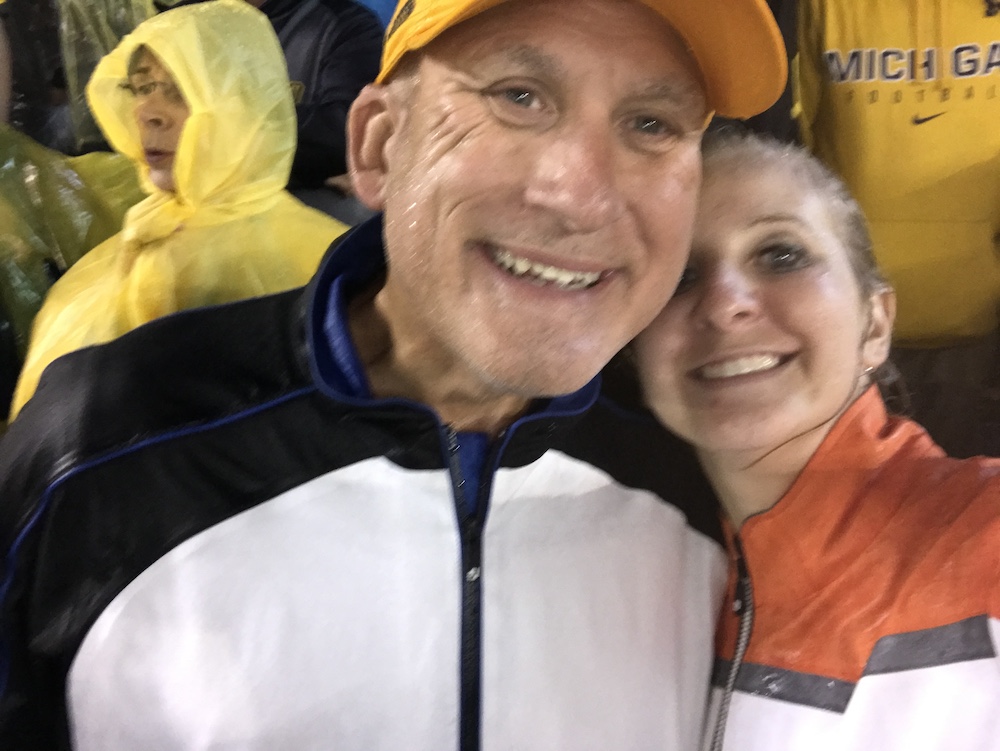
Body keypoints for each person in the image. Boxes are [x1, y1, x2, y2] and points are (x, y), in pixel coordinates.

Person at [0, 0, 787, 747]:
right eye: (518, 96)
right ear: (378, 144)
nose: (580, 195)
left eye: (651, 124)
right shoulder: (104, 451)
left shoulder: (711, 474)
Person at [633, 131, 1000, 751]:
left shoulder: (980, 535)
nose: (723, 305)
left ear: (875, 324)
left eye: (780, 255)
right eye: (678, 274)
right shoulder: (643, 585)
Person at [7, 0, 349, 420]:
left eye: (181, 93)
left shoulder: (315, 265)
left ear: (245, 107)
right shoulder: (141, 233)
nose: (149, 113)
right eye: (142, 87)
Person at [795, 0, 1000, 457]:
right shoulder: (820, 8)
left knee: (949, 490)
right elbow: (795, 152)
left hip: (971, 317)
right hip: (849, 315)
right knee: (848, 488)